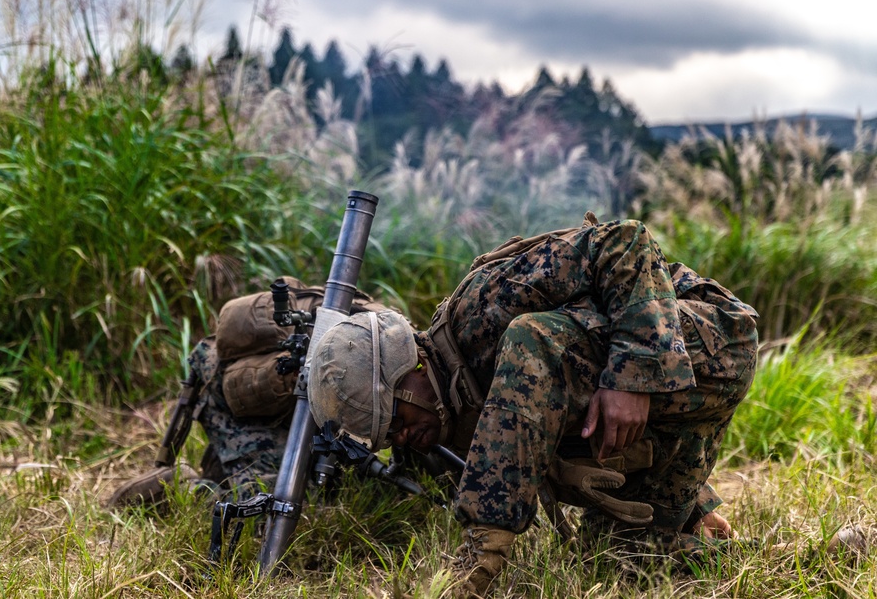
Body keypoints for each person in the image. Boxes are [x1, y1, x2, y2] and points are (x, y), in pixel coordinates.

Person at [307, 214, 758, 597]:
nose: (400, 438)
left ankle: (480, 554)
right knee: (625, 561)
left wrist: (632, 377)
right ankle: (711, 535)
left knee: (533, 339)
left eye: (396, 420)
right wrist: (696, 503)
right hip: (680, 402)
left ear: (414, 367)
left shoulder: (483, 308)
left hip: (713, 337)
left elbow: (625, 240)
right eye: (386, 437)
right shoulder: (451, 410)